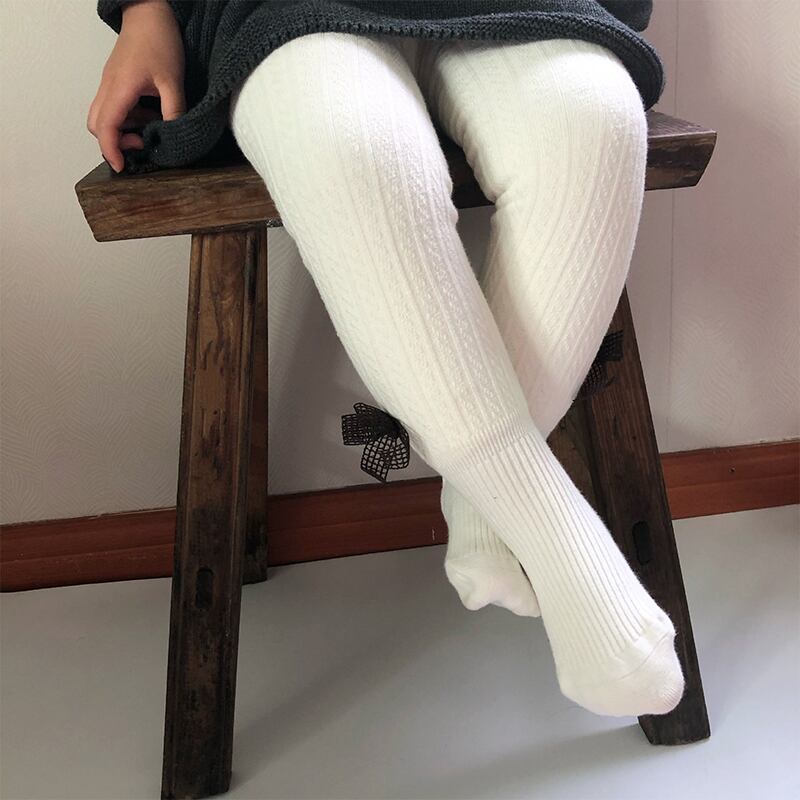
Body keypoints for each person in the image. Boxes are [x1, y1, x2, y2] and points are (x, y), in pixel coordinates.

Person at [88, 0, 684, 718]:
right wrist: (143, 13)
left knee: (594, 124)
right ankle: (563, 547)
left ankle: (485, 506)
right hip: (286, 9)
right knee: (352, 149)